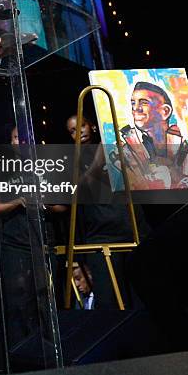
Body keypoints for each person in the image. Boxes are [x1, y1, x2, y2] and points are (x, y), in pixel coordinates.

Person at [66, 113, 146, 309]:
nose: (79, 132)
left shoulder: (119, 147)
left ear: (92, 127)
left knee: (143, 297)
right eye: (72, 131)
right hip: (102, 236)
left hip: (133, 228)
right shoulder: (72, 158)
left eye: (82, 126)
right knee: (111, 302)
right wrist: (97, 163)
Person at [112, 81, 188, 189]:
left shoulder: (185, 150)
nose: (135, 108)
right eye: (133, 103)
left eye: (144, 102)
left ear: (165, 111)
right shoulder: (126, 151)